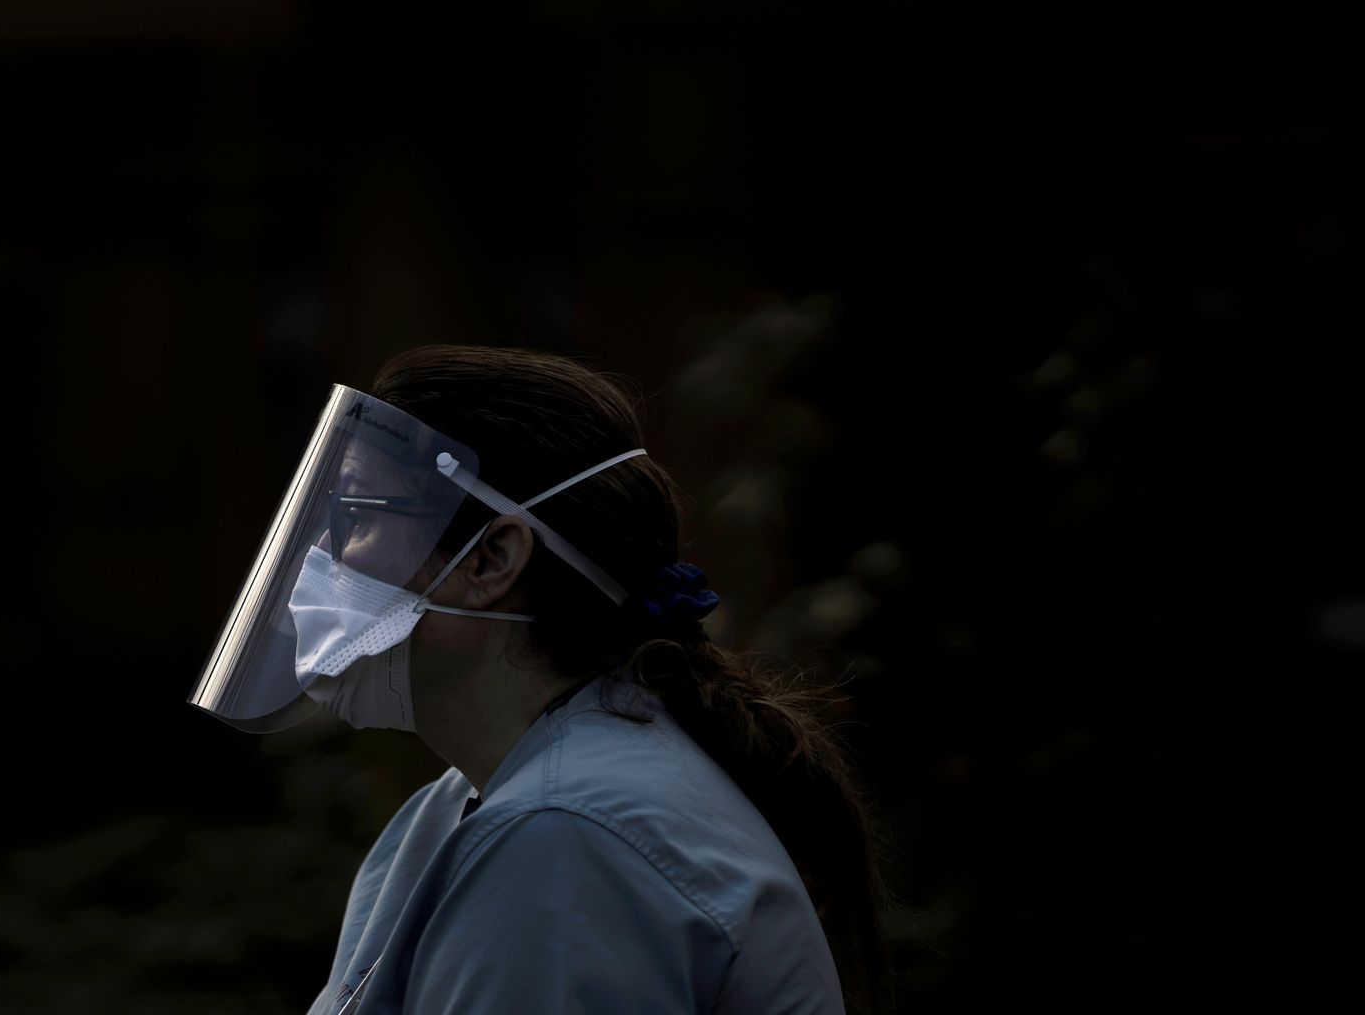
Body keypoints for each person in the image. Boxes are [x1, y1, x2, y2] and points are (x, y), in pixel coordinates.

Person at [191, 345, 892, 1014]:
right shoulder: (468, 806)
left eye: (354, 516)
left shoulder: (565, 834)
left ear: (492, 557)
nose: (320, 557)